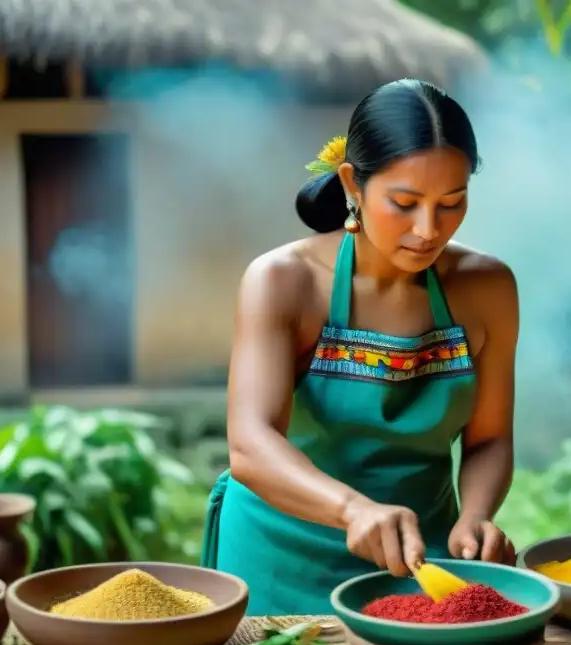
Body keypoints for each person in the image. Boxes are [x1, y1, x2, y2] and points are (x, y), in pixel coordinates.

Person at [200, 79, 520, 615]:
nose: (427, 229)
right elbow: (251, 445)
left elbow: (488, 440)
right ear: (353, 183)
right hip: (282, 557)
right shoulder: (285, 281)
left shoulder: (487, 288)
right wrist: (352, 510)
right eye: (404, 202)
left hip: (419, 557)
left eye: (452, 203)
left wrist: (476, 516)